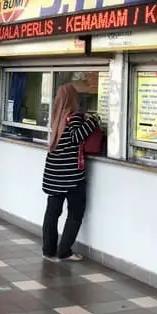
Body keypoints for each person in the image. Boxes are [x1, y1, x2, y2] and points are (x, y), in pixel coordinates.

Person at [42, 82, 100, 262]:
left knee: (52, 213)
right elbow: (76, 137)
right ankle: (64, 251)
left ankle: (48, 250)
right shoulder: (73, 116)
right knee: (75, 213)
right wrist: (94, 121)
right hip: (70, 177)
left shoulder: (56, 116)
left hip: (53, 174)